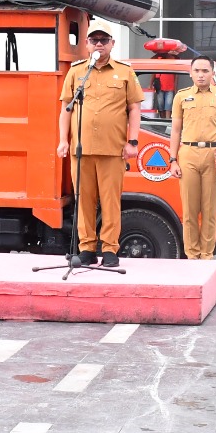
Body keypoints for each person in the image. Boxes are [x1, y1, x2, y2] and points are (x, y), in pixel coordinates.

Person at [56, 27, 143, 267]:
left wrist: (133, 141)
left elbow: (134, 108)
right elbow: (66, 108)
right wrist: (63, 140)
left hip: (112, 149)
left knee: (110, 201)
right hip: (81, 149)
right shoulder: (77, 72)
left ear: (112, 43)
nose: (99, 44)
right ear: (86, 44)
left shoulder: (124, 72)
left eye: (104, 40)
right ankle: (86, 248)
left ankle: (110, 249)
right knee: (83, 201)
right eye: (94, 40)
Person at [169, 56, 216, 259]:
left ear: (212, 73)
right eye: (196, 71)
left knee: (210, 210)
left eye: (205, 71)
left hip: (214, 154)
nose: (201, 75)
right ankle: (192, 254)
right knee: (189, 210)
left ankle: (206, 255)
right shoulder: (181, 96)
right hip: (188, 153)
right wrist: (172, 160)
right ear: (190, 73)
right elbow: (175, 130)